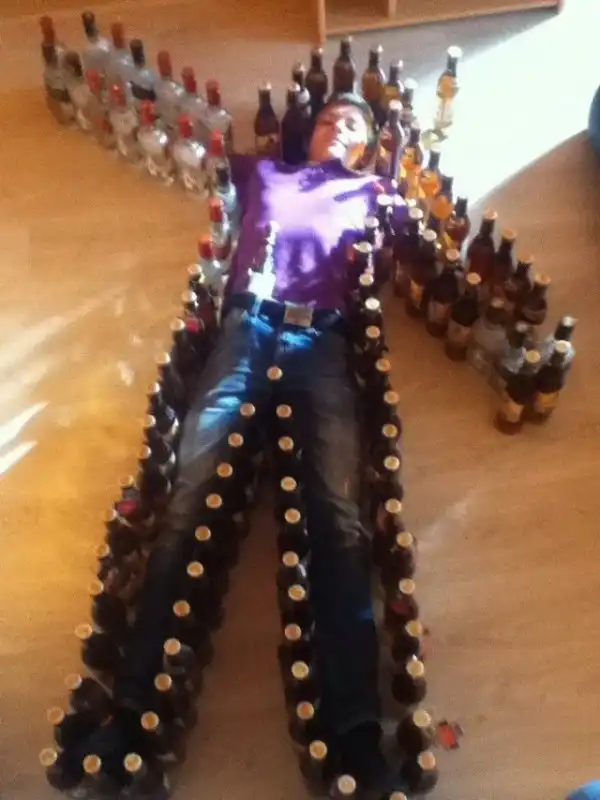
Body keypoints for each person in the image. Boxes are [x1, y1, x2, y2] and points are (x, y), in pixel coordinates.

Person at [101, 93, 406, 795]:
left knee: (339, 523)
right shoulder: (264, 171)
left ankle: (358, 735)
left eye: (353, 124)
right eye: (328, 118)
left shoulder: (373, 191)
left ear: (367, 145)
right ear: (309, 130)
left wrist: (394, 175)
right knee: (188, 504)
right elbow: (181, 136)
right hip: (246, 326)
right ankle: (131, 713)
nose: (338, 127)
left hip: (321, 340)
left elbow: (414, 243)